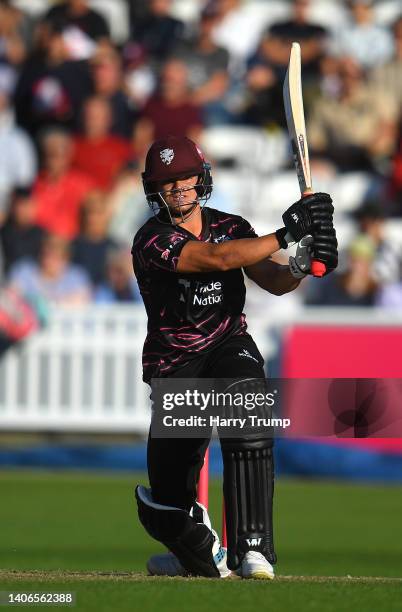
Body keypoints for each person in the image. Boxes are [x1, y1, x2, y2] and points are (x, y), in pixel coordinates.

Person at [132, 135, 338, 579]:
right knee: (165, 504)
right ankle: (191, 553)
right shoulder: (151, 239)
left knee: (249, 407)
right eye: (167, 183)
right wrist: (286, 233)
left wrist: (300, 264)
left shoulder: (232, 225)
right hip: (175, 364)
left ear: (200, 179)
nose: (177, 189)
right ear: (154, 189)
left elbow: (272, 279)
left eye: (184, 179)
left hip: (227, 342)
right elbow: (214, 259)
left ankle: (254, 549)